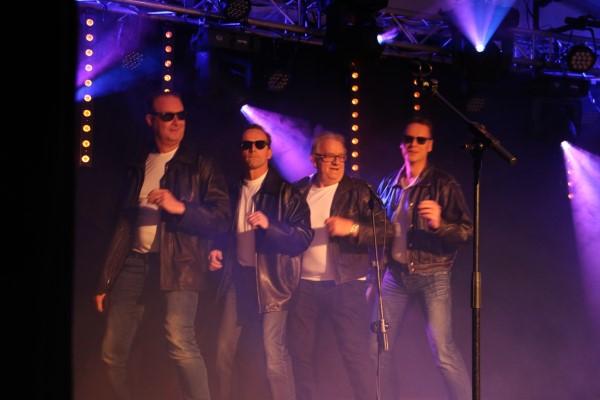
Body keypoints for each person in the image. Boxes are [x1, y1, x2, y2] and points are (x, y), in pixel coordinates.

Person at [94, 91, 231, 400]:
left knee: (180, 342)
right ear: (151, 120)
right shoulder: (139, 165)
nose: (176, 122)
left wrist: (180, 207)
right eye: (168, 116)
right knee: (111, 353)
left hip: (180, 263)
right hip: (133, 263)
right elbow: (122, 227)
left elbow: (222, 217)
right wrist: (105, 279)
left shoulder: (200, 164)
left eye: (181, 115)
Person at [209, 124, 313, 400]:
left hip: (273, 284)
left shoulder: (285, 192)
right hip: (238, 279)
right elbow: (223, 227)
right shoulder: (233, 189)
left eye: (258, 145)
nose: (252, 150)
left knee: (273, 356)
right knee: (222, 352)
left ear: (269, 151)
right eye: (246, 145)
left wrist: (270, 226)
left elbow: (303, 237)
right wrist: (217, 249)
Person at [372, 117, 472, 400]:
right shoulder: (388, 184)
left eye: (420, 140)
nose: (413, 144)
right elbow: (378, 234)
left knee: (443, 351)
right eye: (408, 139)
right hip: (395, 276)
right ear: (401, 145)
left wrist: (440, 224)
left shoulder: (443, 183)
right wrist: (373, 277)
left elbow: (466, 231)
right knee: (377, 347)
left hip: (433, 274)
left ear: (430, 145)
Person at [288, 131, 387, 400]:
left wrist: (352, 228)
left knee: (354, 355)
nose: (336, 163)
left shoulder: (359, 190)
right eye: (329, 157)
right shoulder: (298, 190)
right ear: (314, 159)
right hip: (303, 285)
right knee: (301, 355)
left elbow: (386, 232)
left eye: (341, 157)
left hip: (345, 285)